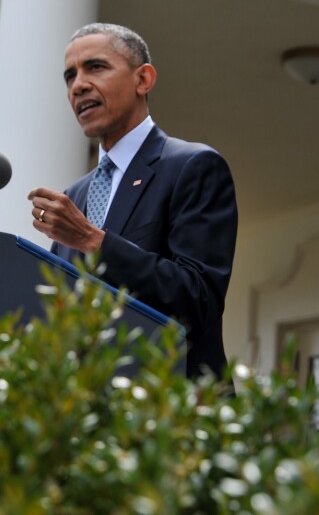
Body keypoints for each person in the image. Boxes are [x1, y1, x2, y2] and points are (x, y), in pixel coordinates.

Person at [27, 23, 238, 379]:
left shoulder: (192, 166)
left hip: (169, 407)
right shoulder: (76, 195)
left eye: (95, 67)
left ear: (143, 80)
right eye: (69, 76)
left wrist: (94, 242)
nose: (78, 85)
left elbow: (198, 300)